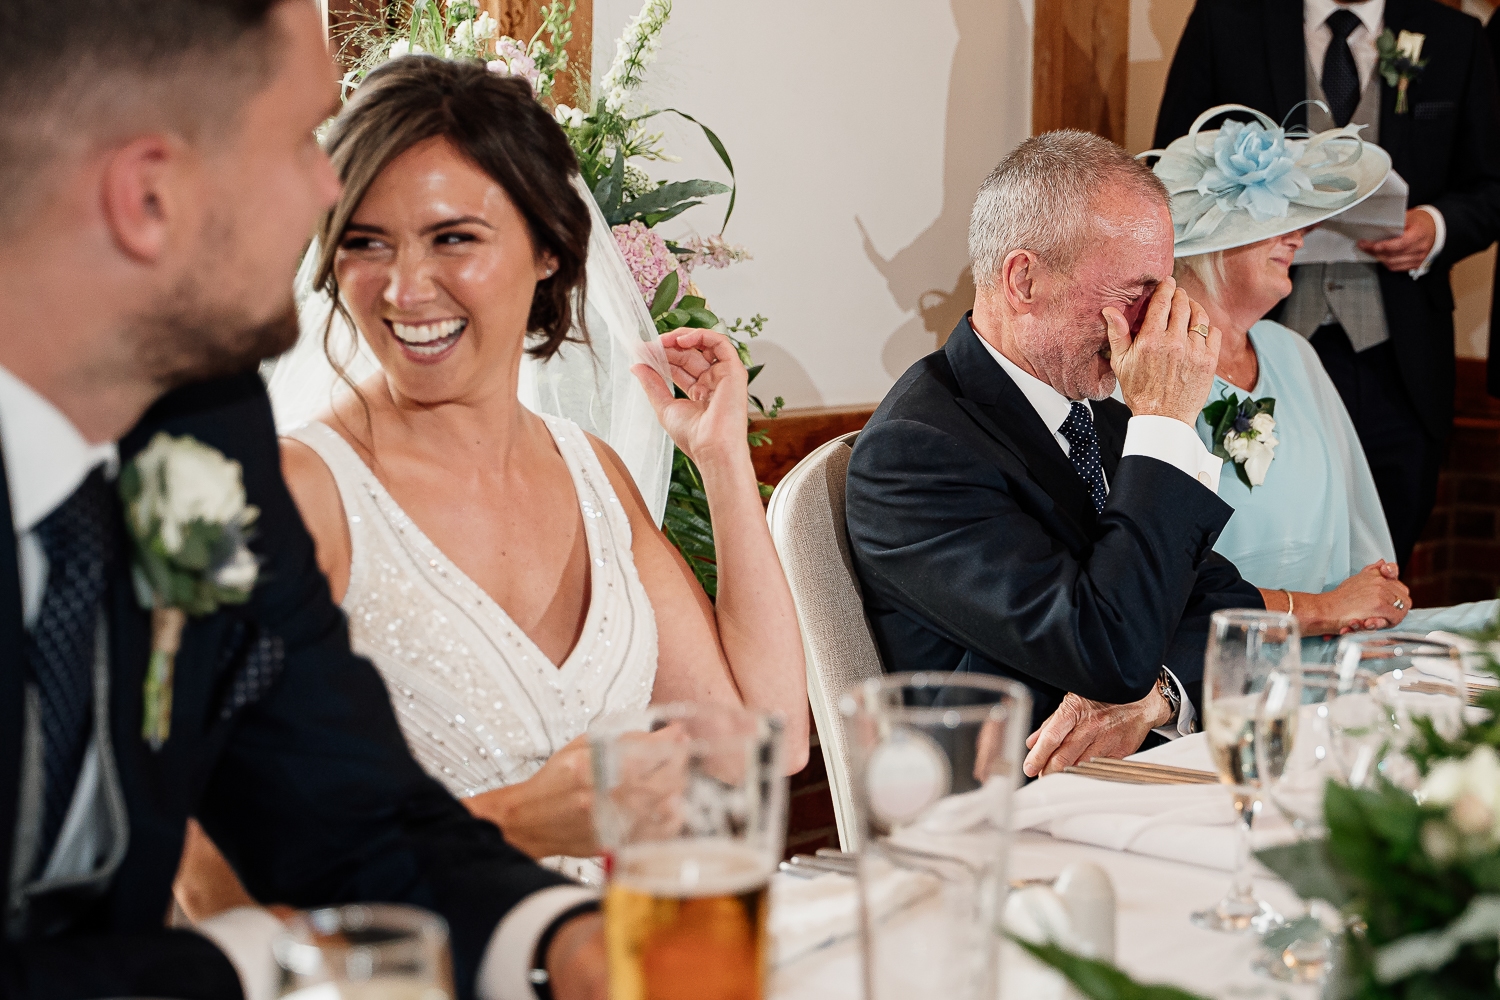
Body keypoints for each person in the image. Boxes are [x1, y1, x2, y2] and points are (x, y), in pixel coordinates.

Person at [0, 2, 607, 998]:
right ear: (147, 196)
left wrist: (567, 939)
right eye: (299, 143)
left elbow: (349, 814)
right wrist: (252, 962)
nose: (328, 193)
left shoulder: (205, 427)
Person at [175, 54, 808, 912]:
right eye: (365, 242)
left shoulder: (594, 475)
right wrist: (509, 823)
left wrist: (723, 461)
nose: (405, 289)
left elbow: (762, 746)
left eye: (453, 238)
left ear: (547, 247)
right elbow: (206, 874)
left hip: (616, 952)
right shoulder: (294, 498)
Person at [846, 131, 1273, 781]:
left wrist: (1157, 698)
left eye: (1163, 293)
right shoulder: (915, 454)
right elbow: (1107, 651)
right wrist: (1164, 425)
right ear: (1024, 280)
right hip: (1011, 805)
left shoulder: (1102, 417)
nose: (1152, 324)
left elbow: (1227, 609)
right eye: (1135, 293)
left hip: (1135, 779)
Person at [1155, 0, 1500, 570]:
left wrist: (1436, 227)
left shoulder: (1454, 35)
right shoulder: (1228, 20)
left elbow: (1491, 185)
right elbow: (1173, 173)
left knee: (1380, 553)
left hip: (1398, 361)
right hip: (1258, 339)